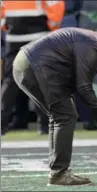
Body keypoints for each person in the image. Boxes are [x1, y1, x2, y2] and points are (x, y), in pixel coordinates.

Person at [12, 28, 97, 186]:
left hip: (25, 63)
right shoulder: (94, 48)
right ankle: (59, 173)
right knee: (65, 115)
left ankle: (58, 172)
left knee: (60, 115)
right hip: (34, 65)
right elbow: (84, 88)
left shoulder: (95, 43)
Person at [0, 0, 65, 135]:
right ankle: (45, 126)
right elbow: (56, 5)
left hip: (14, 36)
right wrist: (52, 25)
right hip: (38, 35)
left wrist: (6, 25)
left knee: (10, 81)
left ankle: (1, 124)